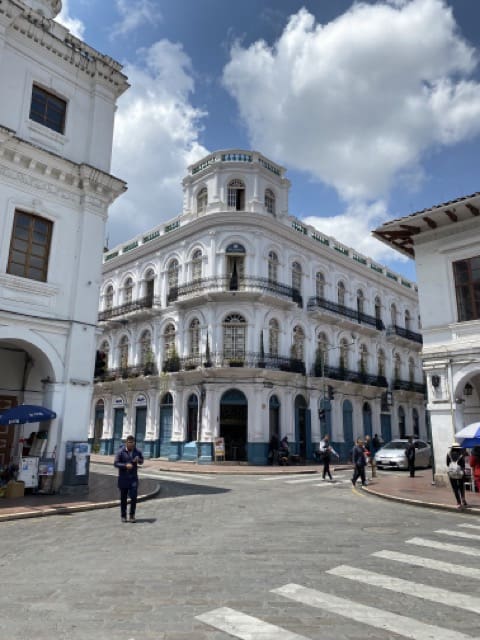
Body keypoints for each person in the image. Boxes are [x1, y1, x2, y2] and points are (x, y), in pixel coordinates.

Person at [114, 435, 144, 523]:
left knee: (134, 497)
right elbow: (116, 464)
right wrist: (125, 465)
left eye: (133, 443)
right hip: (123, 478)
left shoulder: (137, 451)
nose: (131, 445)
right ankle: (123, 516)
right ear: (126, 443)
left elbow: (142, 461)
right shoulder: (120, 452)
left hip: (133, 479)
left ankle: (132, 515)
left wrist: (139, 460)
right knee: (123, 498)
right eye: (130, 443)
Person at [446, 442, 467, 508]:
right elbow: (463, 465)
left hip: (452, 473)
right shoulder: (461, 455)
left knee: (455, 488)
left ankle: (458, 502)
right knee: (461, 486)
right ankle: (463, 498)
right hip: (460, 473)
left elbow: (447, 464)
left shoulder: (448, 454)